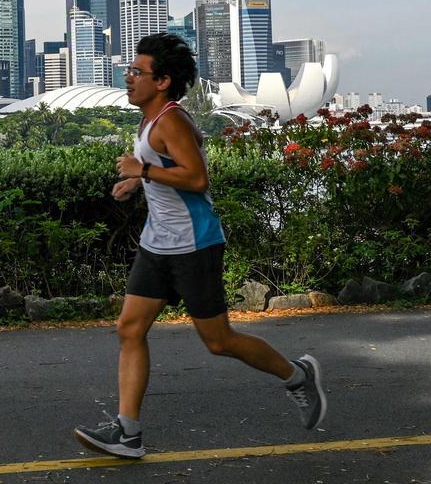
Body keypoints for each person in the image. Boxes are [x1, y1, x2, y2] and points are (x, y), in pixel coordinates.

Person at [73, 33, 326, 459]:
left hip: (194, 245)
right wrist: (138, 180)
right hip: (158, 244)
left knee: (219, 341)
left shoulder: (170, 119)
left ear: (163, 81)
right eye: (129, 70)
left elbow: (197, 178)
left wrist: (144, 170)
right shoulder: (154, 119)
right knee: (129, 329)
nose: (128, 77)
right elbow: (186, 155)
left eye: (138, 72)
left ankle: (297, 375)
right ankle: (128, 433)